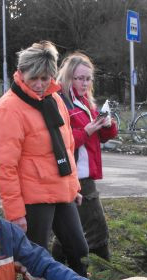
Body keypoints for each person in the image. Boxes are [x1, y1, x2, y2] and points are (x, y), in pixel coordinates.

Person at [0, 40, 89, 280]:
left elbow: (67, 147)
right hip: (32, 199)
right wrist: (16, 213)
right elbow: (5, 167)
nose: (41, 84)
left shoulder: (55, 99)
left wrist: (73, 187)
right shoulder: (9, 108)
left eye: (46, 78)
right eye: (35, 78)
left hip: (61, 191)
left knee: (79, 251)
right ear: (21, 73)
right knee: (35, 266)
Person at [54, 52, 118, 261]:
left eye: (88, 78)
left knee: (72, 228)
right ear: (68, 77)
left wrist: (107, 124)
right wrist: (88, 130)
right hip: (75, 174)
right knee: (96, 227)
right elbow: (60, 141)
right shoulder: (62, 102)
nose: (84, 83)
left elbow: (103, 138)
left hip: (84, 173)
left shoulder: (84, 101)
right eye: (80, 78)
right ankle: (105, 271)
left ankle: (56, 270)